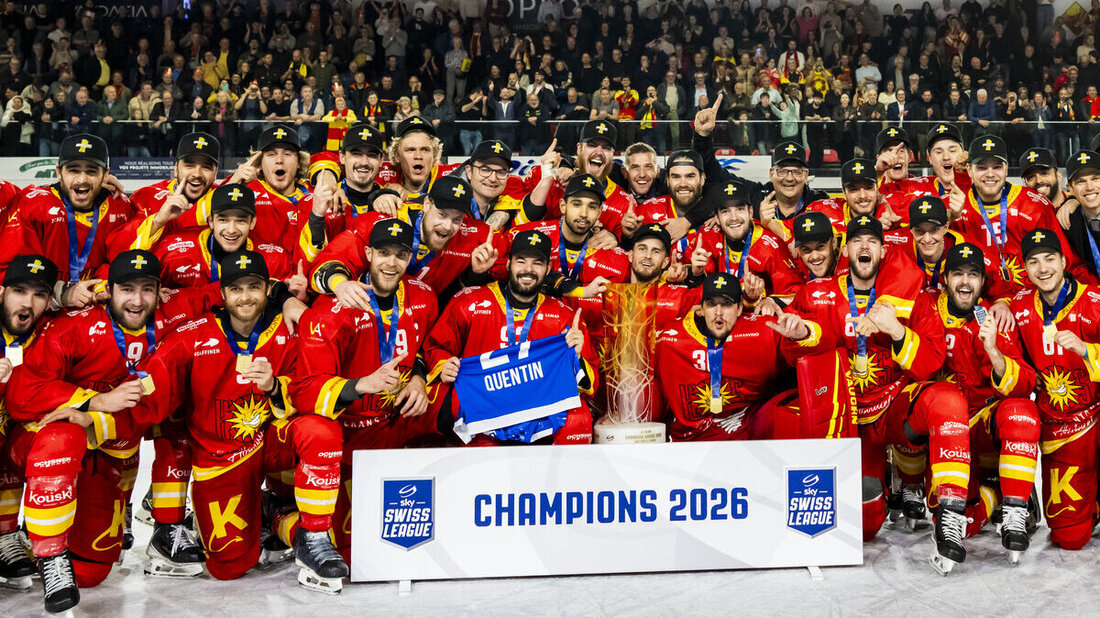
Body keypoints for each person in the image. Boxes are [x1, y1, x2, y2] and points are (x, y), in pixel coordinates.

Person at [104, 250, 347, 591]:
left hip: (270, 440)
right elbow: (151, 396)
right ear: (222, 293)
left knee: (320, 431)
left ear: (268, 290)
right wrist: (92, 411)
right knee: (229, 565)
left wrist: (275, 386)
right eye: (236, 288)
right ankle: (274, 514)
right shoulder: (192, 335)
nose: (245, 297)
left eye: (254, 287)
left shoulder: (290, 330)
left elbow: (310, 389)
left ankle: (315, 536)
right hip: (221, 456)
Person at [5, 250, 215, 611]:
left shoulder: (171, 319)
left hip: (112, 447)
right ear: (110, 290)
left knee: (91, 572)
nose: (137, 300)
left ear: (160, 291)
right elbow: (23, 392)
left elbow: (220, 293)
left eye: (147, 289)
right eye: (127, 289)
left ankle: (49, 533)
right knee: (64, 437)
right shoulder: (74, 326)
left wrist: (284, 297)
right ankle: (51, 554)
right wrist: (93, 402)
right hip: (47, 438)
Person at [772, 215, 971, 574]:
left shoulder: (910, 297)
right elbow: (794, 355)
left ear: (882, 250)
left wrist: (897, 331)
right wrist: (800, 334)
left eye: (872, 241)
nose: (864, 247)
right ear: (845, 249)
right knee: (864, 526)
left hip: (891, 406)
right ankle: (889, 486)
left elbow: (930, 362)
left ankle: (950, 512)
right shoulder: (817, 293)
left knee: (947, 400)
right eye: (857, 241)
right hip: (845, 419)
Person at [292, 218, 441, 562]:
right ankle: (285, 519)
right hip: (349, 432)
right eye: (384, 253)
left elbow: (426, 347)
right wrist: (361, 385)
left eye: (400, 255)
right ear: (369, 253)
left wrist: (420, 378)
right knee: (350, 548)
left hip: (397, 421)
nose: (392, 263)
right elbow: (304, 390)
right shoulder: (332, 310)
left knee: (457, 396)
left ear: (410, 258)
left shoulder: (423, 296)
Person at [424, 229, 598, 445]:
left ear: (548, 269)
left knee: (579, 418)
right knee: (451, 402)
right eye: (521, 261)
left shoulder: (563, 316)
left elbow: (590, 387)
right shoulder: (469, 302)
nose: (528, 269)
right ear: (508, 264)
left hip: (538, 410)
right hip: (486, 409)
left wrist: (576, 358)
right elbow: (436, 346)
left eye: (537, 263)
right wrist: (444, 365)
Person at [933, 242, 1041, 563]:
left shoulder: (993, 317)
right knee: (961, 523)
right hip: (940, 434)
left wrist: (993, 350)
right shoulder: (926, 308)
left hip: (979, 425)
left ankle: (1016, 510)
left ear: (982, 281)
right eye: (958, 274)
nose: (965, 282)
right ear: (945, 278)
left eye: (973, 275)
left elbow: (1024, 384)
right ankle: (997, 492)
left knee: (1022, 411)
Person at [1009, 228, 1100, 550]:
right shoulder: (1019, 305)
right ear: (1025, 267)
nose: (1043, 268)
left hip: (1096, 413)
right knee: (1069, 537)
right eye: (1033, 262)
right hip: (1060, 425)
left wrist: (1087, 350)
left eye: (1049, 259)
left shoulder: (1094, 301)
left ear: (1063, 261)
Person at [310, 175, 500, 302]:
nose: (448, 226)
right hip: (367, 313)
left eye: (457, 219)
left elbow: (514, 264)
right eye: (442, 214)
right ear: (427, 204)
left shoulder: (474, 236)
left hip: (420, 322)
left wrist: (476, 273)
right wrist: (340, 284)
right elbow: (329, 259)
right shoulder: (384, 220)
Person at [0, 134, 138, 308]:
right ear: (59, 172)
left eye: (92, 171)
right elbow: (11, 273)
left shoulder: (120, 206)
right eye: (73, 170)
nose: (82, 179)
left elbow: (120, 262)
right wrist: (62, 292)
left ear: (105, 174)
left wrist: (101, 285)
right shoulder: (33, 205)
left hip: (94, 309)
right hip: (41, 311)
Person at [654, 272, 792, 441]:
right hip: (690, 443)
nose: (718, 313)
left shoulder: (765, 331)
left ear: (740, 308)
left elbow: (804, 358)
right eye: (711, 304)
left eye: (726, 304)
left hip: (748, 440)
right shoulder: (668, 341)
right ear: (701, 309)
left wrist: (801, 335)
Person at [0, 255, 59, 592]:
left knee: (60, 437)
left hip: (15, 432)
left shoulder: (51, 332)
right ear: (2, 292)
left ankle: (7, 534)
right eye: (19, 291)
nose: (27, 303)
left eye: (39, 294)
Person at [686, 180, 804, 315]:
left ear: (750, 212)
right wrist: (695, 274)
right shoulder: (707, 237)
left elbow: (797, 290)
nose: (734, 218)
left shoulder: (771, 246)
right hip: (718, 315)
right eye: (725, 211)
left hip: (754, 318)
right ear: (717, 218)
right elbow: (694, 287)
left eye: (740, 209)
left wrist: (772, 301)